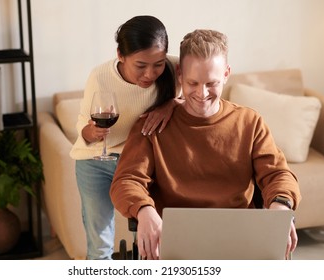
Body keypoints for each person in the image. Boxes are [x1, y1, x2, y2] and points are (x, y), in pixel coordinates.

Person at [110, 29, 302, 260]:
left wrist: (281, 206)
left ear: (227, 74)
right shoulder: (151, 126)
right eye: (193, 83)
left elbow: (278, 173)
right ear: (179, 74)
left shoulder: (249, 122)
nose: (202, 93)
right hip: (173, 242)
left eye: (211, 83)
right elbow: (126, 181)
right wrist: (144, 210)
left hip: (240, 239)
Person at [69, 15, 181, 260]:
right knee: (99, 247)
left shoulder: (174, 68)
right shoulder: (100, 76)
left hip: (141, 164)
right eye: (140, 65)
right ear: (120, 55)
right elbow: (82, 124)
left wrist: (171, 103)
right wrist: (91, 132)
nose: (150, 73)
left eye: (158, 64)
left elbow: (205, 87)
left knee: (148, 245)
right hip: (94, 162)